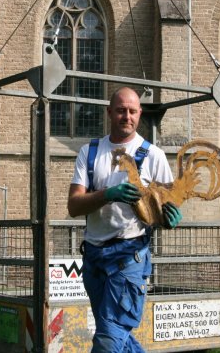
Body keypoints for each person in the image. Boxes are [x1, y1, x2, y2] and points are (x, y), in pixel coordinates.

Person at [68, 86, 182, 352]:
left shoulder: (153, 155)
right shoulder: (90, 152)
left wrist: (171, 218)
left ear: (140, 114)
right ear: (109, 112)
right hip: (94, 258)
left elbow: (164, 207)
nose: (126, 116)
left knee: (109, 339)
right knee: (118, 336)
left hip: (129, 257)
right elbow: (74, 206)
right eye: (120, 110)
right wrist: (108, 194)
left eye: (132, 111)